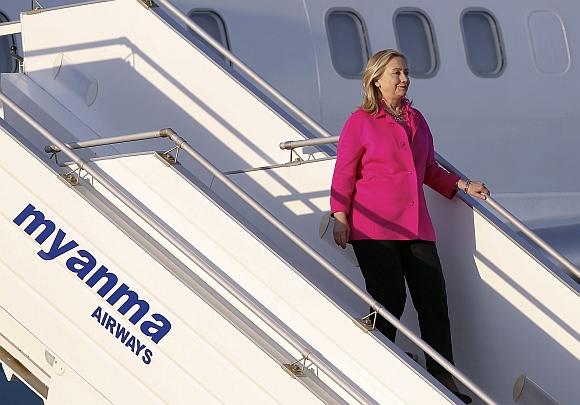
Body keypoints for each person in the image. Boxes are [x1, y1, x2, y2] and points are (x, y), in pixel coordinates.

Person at [330, 49, 489, 404]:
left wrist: (462, 186)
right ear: (376, 79)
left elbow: (428, 169)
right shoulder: (360, 121)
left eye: (405, 73)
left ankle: (444, 382)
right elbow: (344, 172)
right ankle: (374, 366)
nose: (404, 79)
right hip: (373, 226)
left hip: (416, 225)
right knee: (390, 299)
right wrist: (339, 216)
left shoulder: (416, 119)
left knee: (434, 302)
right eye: (396, 73)